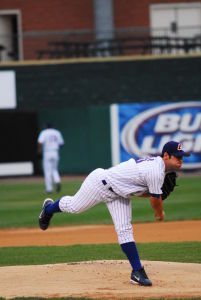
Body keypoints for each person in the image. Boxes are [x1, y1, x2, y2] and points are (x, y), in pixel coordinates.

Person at [39, 141, 189, 286]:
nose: (180, 160)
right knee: (74, 206)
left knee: (125, 230)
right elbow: (155, 202)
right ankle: (48, 209)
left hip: (120, 194)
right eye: (177, 156)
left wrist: (155, 194)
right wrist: (159, 213)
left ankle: (137, 272)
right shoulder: (155, 171)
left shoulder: (157, 168)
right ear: (166, 156)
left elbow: (138, 191)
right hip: (100, 183)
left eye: (182, 157)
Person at [37, 122, 64, 194]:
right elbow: (61, 144)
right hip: (55, 152)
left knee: (47, 171)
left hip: (47, 152)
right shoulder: (57, 132)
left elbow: (40, 142)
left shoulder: (44, 132)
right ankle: (57, 181)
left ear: (46, 127)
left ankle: (49, 189)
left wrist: (39, 152)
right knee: (54, 170)